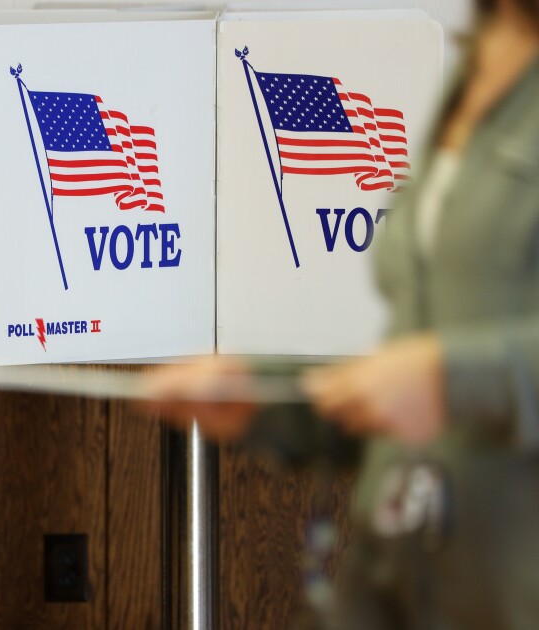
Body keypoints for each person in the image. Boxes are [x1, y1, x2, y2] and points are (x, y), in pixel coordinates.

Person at [145, 1, 539, 627]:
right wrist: (270, 399)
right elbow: (409, 378)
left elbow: (442, 375)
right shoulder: (475, 67)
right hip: (395, 576)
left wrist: (446, 377)